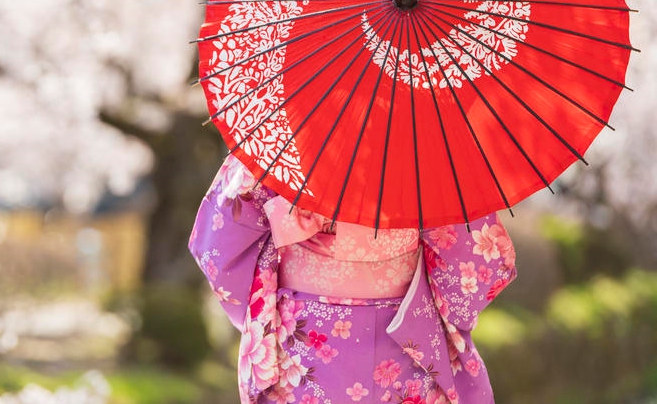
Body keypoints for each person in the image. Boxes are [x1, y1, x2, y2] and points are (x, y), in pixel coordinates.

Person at [189, 154, 516, 404]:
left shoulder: (279, 129)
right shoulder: (428, 139)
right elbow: (472, 257)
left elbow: (218, 244)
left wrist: (254, 306)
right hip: (405, 334)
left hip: (302, 333)